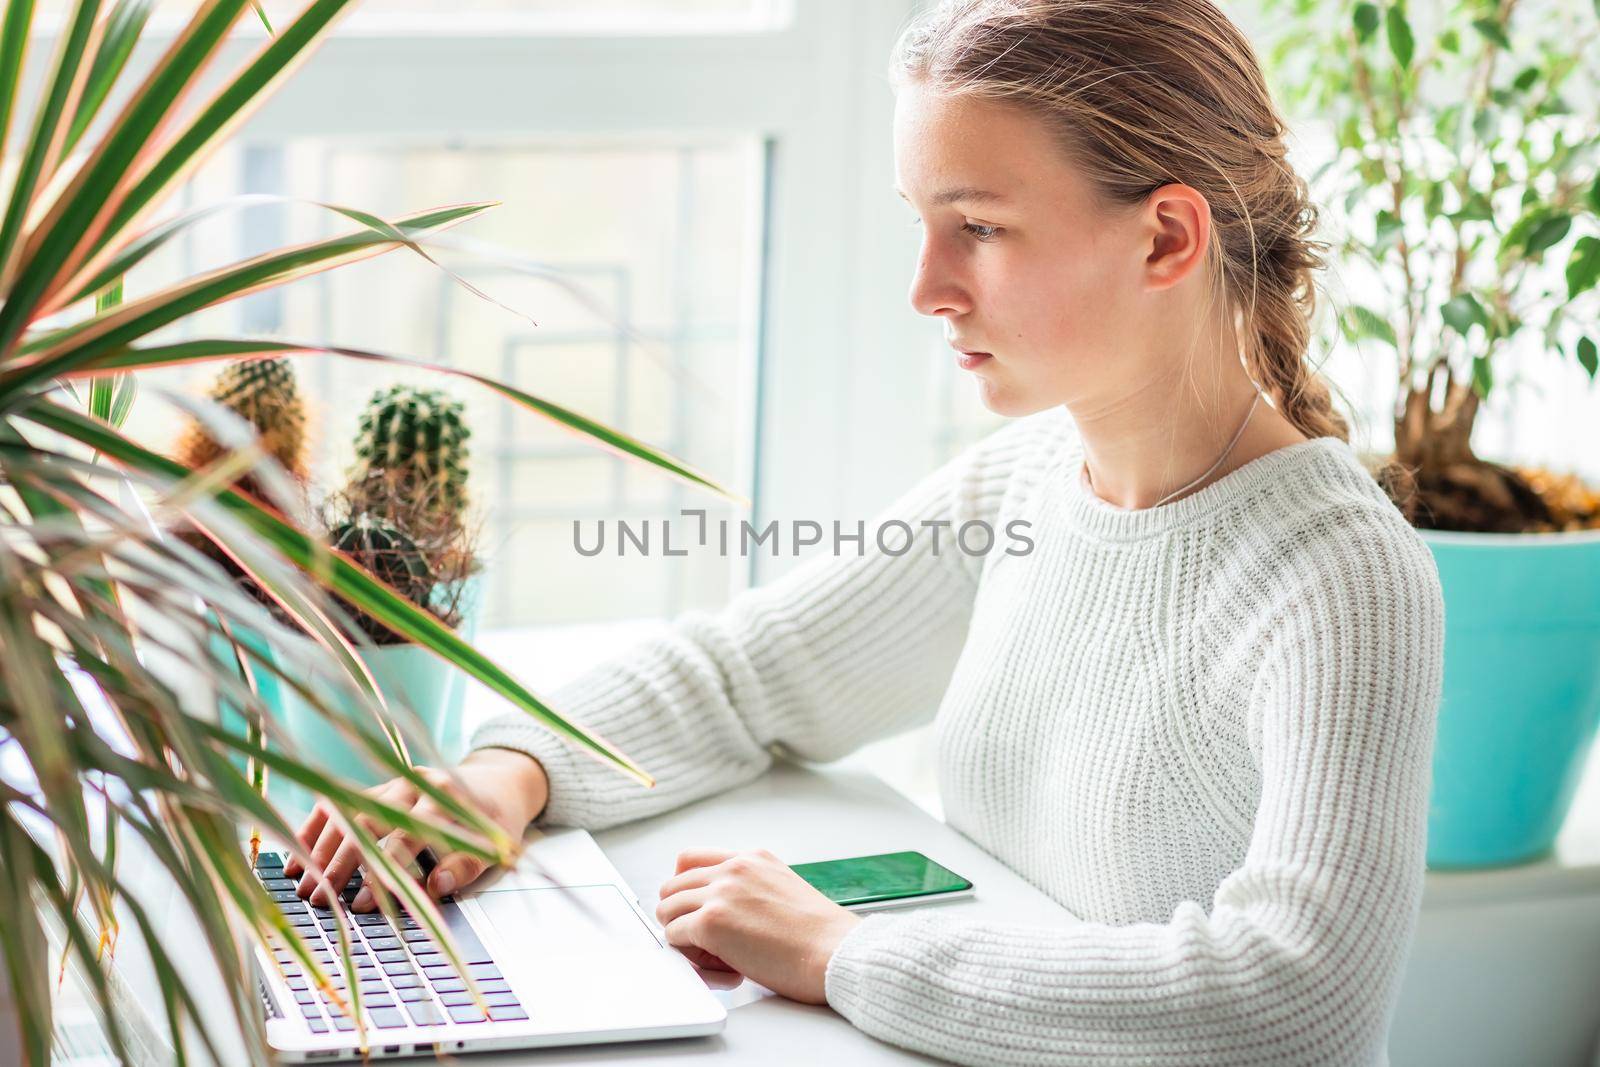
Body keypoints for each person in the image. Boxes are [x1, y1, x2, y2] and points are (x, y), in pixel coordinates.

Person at [288, 1, 1445, 1062]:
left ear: (1165, 240)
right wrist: (508, 771)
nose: (927, 288)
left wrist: (843, 953)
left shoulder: (1338, 574)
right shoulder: (1030, 482)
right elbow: (749, 673)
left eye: (979, 227)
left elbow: (1293, 993)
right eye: (921, 224)